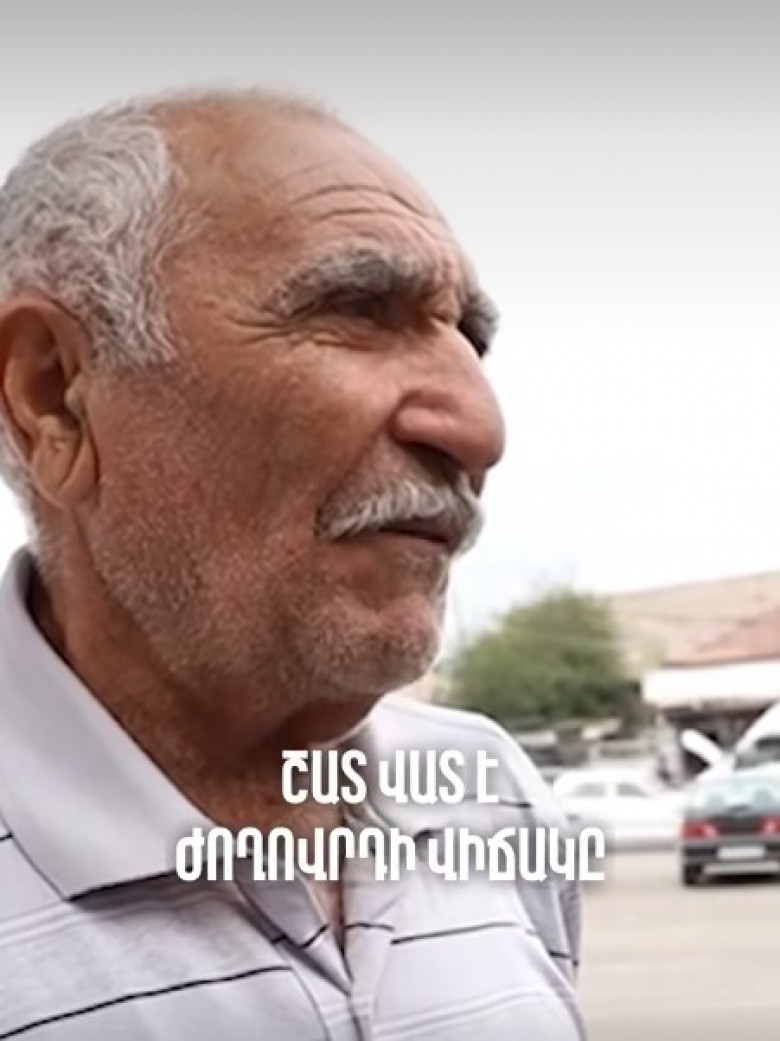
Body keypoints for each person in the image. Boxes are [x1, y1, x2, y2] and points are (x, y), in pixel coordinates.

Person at [0, 87, 586, 1039]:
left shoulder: (488, 790)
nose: (480, 428)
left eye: (468, 339)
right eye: (355, 310)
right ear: (54, 392)